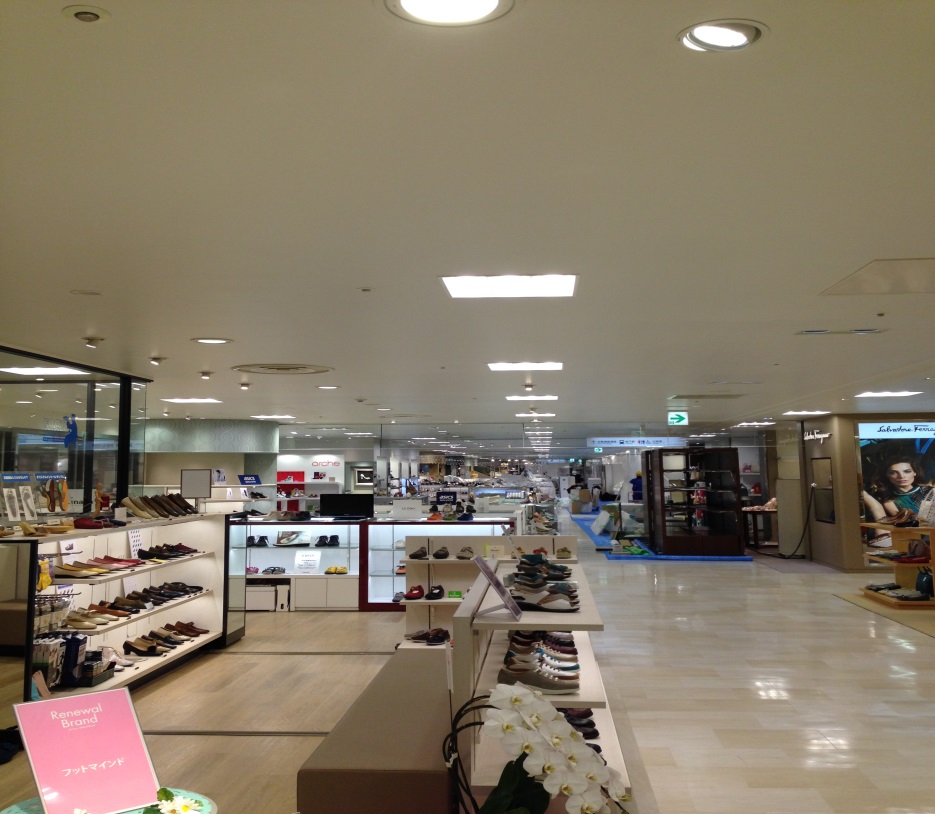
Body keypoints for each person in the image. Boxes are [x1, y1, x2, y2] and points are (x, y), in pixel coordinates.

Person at [862, 457, 934, 521]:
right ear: (887, 475)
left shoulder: (931, 491)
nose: (901, 476)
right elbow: (904, 520)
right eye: (893, 473)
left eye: (907, 471)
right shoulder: (888, 499)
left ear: (914, 472)